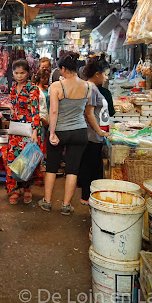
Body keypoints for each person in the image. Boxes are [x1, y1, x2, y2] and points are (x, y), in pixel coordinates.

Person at [39, 53, 90, 215]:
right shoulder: (88, 86)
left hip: (60, 131)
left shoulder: (56, 86)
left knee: (52, 167)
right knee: (72, 170)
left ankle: (47, 202)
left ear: (62, 69)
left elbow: (53, 111)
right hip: (80, 131)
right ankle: (66, 206)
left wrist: (52, 132)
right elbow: (86, 111)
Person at [6, 60, 43, 205]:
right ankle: (15, 189)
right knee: (14, 160)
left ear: (28, 73)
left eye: (22, 73)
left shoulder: (32, 89)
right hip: (15, 129)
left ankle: (27, 188)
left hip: (29, 129)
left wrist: (35, 131)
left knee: (27, 161)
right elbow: (13, 108)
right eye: (16, 73)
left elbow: (35, 111)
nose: (19, 76)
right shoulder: (13, 88)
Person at [79, 55, 111, 204]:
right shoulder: (91, 88)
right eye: (105, 74)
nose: (106, 78)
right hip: (91, 134)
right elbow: (89, 113)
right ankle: (86, 196)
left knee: (93, 165)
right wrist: (99, 131)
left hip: (94, 134)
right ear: (97, 74)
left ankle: (89, 195)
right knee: (90, 166)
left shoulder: (93, 87)